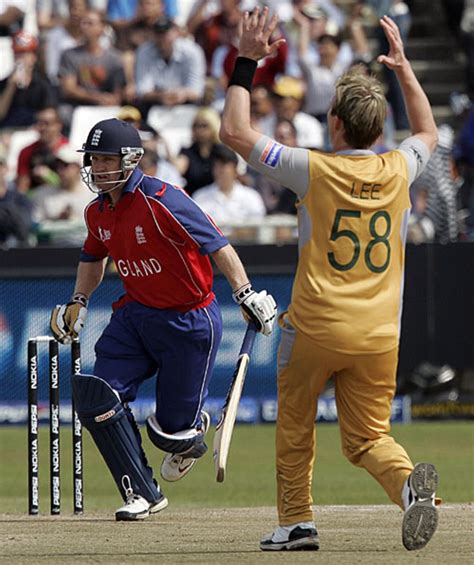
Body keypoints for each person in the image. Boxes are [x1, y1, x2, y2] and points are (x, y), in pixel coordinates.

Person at [219, 8, 439, 552]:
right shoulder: (400, 167)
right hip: (380, 335)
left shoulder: (310, 167)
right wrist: (404, 69)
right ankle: (408, 486)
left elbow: (233, 131)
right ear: (380, 128)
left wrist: (247, 60)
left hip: (315, 328)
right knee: (368, 437)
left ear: (334, 123)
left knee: (295, 424)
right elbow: (429, 130)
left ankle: (296, 522)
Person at [49, 117, 277, 521]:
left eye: (106, 159)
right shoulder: (96, 212)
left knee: (169, 434)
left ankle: (189, 434)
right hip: (135, 316)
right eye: (93, 159)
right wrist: (79, 300)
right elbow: (92, 257)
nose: (98, 168)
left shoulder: (163, 200)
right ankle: (141, 492)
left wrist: (245, 293)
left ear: (132, 159)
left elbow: (218, 245)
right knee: (97, 395)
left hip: (189, 321)